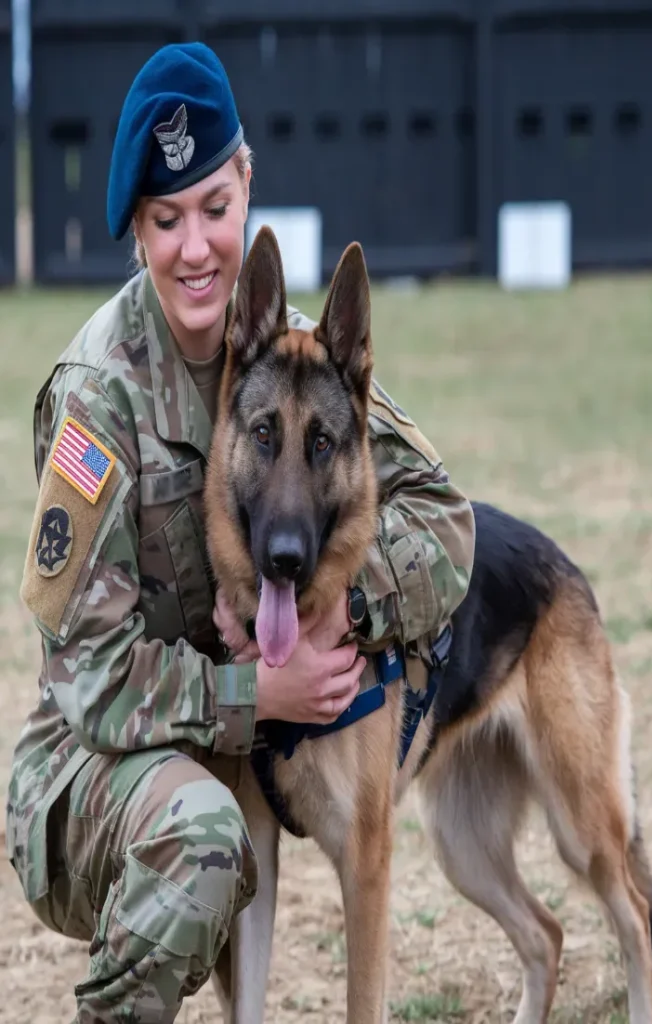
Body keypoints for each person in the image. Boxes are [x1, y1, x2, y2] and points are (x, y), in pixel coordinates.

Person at [6, 41, 476, 1023]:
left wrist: (347, 602)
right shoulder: (99, 397)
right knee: (209, 831)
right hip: (89, 771)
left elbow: (445, 520)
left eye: (213, 209)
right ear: (136, 230)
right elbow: (90, 674)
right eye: (164, 219)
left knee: (221, 801)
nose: (193, 248)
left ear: (247, 185)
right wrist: (257, 690)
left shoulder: (293, 358)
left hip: (209, 740)